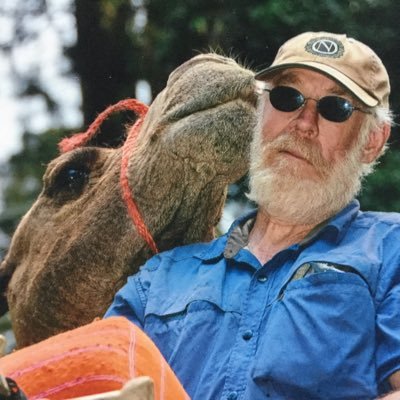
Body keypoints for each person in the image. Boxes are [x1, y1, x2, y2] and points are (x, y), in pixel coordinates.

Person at [105, 31, 399, 399]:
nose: (304, 123)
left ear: (372, 141)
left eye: (334, 108)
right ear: (261, 113)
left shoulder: (391, 250)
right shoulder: (156, 280)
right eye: (286, 98)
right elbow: (95, 382)